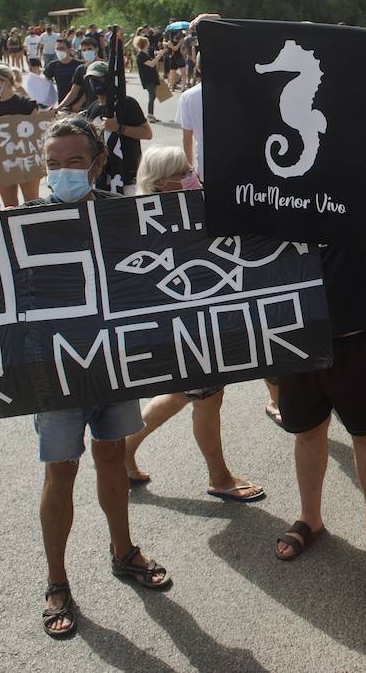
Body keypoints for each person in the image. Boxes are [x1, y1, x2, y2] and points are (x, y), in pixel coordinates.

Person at [0, 116, 171, 639]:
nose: (62, 173)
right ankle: (56, 581)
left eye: (74, 162)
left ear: (97, 165)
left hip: (111, 365)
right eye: (53, 164)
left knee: (111, 455)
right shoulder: (21, 222)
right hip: (53, 371)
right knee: (60, 471)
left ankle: (123, 550)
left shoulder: (122, 216)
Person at [272, 27, 366, 571]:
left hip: (354, 331)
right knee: (308, 434)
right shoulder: (277, 192)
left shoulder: (358, 190)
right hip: (299, 334)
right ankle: (311, 517)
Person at [118, 146, 265, 500]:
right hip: (187, 330)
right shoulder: (151, 226)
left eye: (190, 169)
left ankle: (125, 450)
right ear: (160, 184)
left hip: (197, 326)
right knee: (207, 399)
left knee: (185, 394)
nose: (192, 176)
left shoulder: (190, 210)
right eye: (182, 173)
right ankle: (220, 477)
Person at [78, 61, 151, 194]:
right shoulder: (93, 107)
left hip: (128, 175)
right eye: (91, 79)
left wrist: (119, 128)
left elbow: (147, 133)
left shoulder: (127, 103)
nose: (94, 82)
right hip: (102, 177)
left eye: (99, 78)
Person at [0, 65, 44, 206]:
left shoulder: (26, 103)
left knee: (32, 204)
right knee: (10, 207)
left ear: (5, 81)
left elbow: (36, 132)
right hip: (3, 161)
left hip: (26, 159)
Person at [132, 34, 163, 123]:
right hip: (147, 78)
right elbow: (152, 64)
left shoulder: (146, 54)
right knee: (152, 95)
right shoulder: (140, 55)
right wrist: (159, 56)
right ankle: (149, 115)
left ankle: (151, 114)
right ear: (144, 44)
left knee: (153, 96)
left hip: (152, 77)